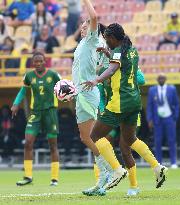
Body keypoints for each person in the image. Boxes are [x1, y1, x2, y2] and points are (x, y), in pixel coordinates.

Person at [82, 23, 168, 196]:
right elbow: (122, 64)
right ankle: (157, 167)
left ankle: (117, 170)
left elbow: (113, 68)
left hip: (120, 101)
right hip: (135, 101)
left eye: (107, 39)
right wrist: (108, 53)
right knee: (130, 139)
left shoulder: (117, 51)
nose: (106, 42)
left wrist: (96, 80)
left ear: (114, 38)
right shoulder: (132, 49)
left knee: (94, 135)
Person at [71, 0, 127, 196]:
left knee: (93, 136)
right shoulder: (83, 45)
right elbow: (93, 69)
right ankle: (103, 176)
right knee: (86, 137)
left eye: (85, 25)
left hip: (88, 93)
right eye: (82, 25)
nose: (83, 26)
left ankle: (115, 170)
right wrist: (72, 89)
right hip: (83, 92)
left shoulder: (92, 39)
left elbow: (94, 17)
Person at [11, 51, 61, 186]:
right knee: (28, 143)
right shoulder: (29, 76)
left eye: (40, 61)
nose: (38, 63)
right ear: (33, 63)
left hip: (50, 113)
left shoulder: (53, 75)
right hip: (36, 113)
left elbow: (64, 87)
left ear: (45, 61)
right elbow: (23, 91)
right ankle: (28, 176)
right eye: (35, 61)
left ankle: (54, 178)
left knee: (53, 145)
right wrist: (16, 103)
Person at [147, 73, 180, 169]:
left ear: (165, 79)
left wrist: (175, 117)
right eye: (159, 78)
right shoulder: (152, 90)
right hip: (157, 119)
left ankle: (173, 162)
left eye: (162, 78)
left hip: (169, 117)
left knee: (171, 140)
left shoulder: (172, 89)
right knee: (157, 141)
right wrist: (149, 119)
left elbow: (177, 104)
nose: (161, 79)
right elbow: (149, 106)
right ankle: (158, 163)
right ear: (157, 80)